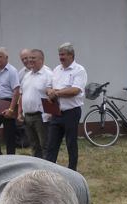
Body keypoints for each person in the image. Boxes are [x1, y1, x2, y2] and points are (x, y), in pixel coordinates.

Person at [45, 43, 87, 171]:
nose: (60, 57)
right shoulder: (56, 69)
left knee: (71, 142)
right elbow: (48, 87)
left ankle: (72, 170)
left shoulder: (79, 70)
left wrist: (57, 93)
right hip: (56, 111)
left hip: (71, 112)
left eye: (63, 55)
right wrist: (49, 92)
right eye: (59, 54)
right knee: (51, 143)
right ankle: (49, 169)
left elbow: (75, 90)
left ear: (71, 55)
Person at [17, 49, 53, 159]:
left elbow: (53, 95)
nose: (30, 60)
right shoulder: (27, 75)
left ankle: (48, 166)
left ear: (41, 59)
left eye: (33, 58)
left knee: (45, 145)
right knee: (34, 146)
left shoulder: (48, 74)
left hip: (41, 117)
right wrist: (19, 112)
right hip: (28, 117)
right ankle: (37, 166)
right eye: (30, 58)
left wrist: (51, 113)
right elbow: (22, 95)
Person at [0, 47, 20, 156]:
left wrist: (11, 109)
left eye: (0, 57)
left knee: (9, 133)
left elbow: (16, 91)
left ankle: (10, 157)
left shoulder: (12, 71)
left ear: (6, 58)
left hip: (7, 102)